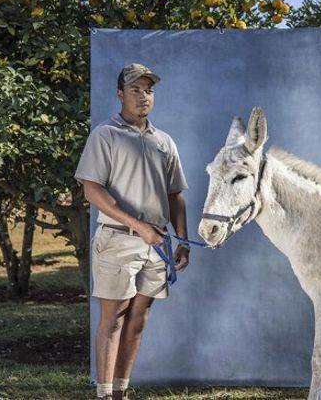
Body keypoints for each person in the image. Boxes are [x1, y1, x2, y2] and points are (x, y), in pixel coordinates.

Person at [74, 63, 190, 400]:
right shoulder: (105, 135)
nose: (143, 96)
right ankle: (104, 395)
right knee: (113, 319)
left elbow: (175, 195)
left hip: (157, 245)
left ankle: (120, 393)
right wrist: (139, 226)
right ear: (120, 94)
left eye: (148, 90)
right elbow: (92, 191)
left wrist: (183, 240)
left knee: (139, 318)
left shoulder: (164, 142)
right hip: (117, 240)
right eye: (135, 90)